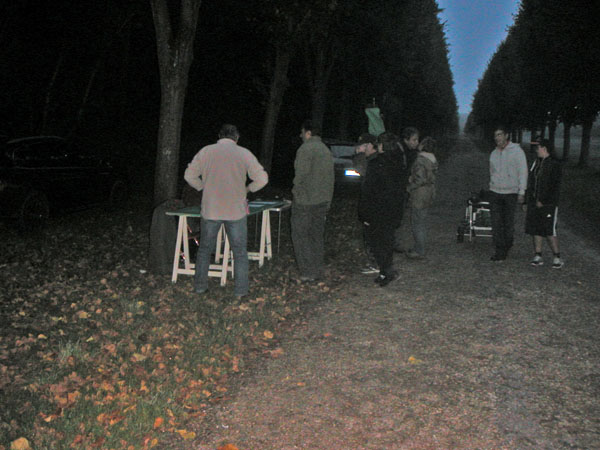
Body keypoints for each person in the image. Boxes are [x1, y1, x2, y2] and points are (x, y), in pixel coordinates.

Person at [184, 124, 268, 298]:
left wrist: (203, 187)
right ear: (236, 138)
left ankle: (200, 287)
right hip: (235, 210)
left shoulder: (206, 152)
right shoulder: (244, 153)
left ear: (219, 136)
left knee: (205, 249)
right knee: (239, 252)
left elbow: (189, 175)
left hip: (211, 209)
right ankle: (241, 291)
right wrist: (248, 189)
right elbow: (262, 178)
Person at [359, 132, 404, 286]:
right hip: (392, 209)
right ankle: (387, 269)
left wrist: (364, 213)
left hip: (378, 210)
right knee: (387, 241)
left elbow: (369, 190)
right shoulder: (399, 162)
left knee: (377, 242)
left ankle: (385, 272)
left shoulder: (377, 164)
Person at [291, 120, 335, 281]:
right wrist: (328, 200)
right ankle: (318, 269)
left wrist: (295, 192)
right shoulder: (325, 149)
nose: (301, 135)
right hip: (322, 201)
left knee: (300, 236)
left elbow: (300, 175)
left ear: (308, 133)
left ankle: (307, 272)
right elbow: (331, 178)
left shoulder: (305, 149)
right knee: (316, 236)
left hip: (305, 201)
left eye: (302, 132)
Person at [488, 126, 528, 261]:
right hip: (495, 192)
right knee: (496, 222)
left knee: (508, 223)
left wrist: (521, 191)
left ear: (506, 135)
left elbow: (523, 172)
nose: (497, 138)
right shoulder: (493, 153)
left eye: (499, 134)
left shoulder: (517, 152)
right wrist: (492, 184)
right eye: (495, 135)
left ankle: (508, 242)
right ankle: (500, 250)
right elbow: (492, 171)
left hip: (510, 193)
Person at [525, 138, 564, 269]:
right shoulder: (536, 163)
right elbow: (531, 182)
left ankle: (557, 256)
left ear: (545, 148)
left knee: (549, 230)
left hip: (548, 205)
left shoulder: (554, 164)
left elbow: (555, 186)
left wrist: (544, 200)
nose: (536, 150)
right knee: (536, 228)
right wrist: (527, 199)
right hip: (534, 203)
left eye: (538, 147)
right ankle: (538, 254)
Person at [406, 136, 438, 259]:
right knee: (422, 221)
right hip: (429, 192)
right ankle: (420, 247)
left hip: (420, 193)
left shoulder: (420, 160)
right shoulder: (433, 159)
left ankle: (419, 250)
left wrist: (409, 187)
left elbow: (420, 179)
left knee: (417, 222)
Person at [353, 132, 379, 274]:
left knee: (372, 234)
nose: (360, 149)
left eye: (362, 146)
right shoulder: (371, 159)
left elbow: (361, 170)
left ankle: (377, 263)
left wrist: (358, 156)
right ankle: (376, 262)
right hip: (371, 202)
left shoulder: (372, 160)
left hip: (373, 204)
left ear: (369, 145)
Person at [393, 127, 420, 253]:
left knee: (398, 216)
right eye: (414, 140)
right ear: (406, 139)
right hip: (396, 189)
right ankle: (391, 242)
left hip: (402, 189)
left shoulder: (410, 152)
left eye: (417, 139)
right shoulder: (398, 152)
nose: (416, 142)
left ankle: (393, 241)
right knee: (394, 216)